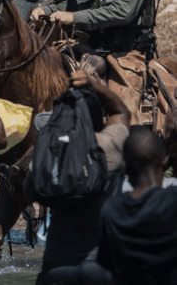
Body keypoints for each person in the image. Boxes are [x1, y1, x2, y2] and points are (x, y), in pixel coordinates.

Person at [28, 70, 130, 284]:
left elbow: (29, 189)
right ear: (99, 119)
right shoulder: (107, 147)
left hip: (56, 265)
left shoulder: (48, 157)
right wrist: (93, 83)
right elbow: (121, 112)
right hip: (100, 267)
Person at [97, 126, 177, 285]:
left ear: (125, 169)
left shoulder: (111, 210)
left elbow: (106, 264)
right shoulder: (173, 201)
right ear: (164, 162)